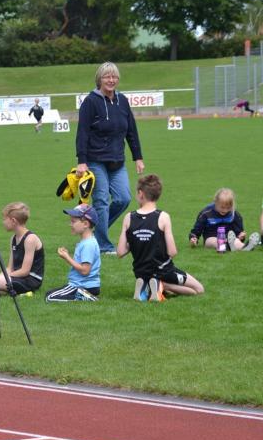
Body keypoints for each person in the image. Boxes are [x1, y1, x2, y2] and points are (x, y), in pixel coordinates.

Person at [76, 62, 145, 254]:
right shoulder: (90, 102)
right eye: (107, 76)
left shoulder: (122, 101)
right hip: (95, 160)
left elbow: (131, 131)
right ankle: (104, 245)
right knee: (101, 201)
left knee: (123, 198)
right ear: (99, 79)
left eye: (114, 77)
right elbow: (82, 133)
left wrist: (138, 157)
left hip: (117, 161)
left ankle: (94, 231)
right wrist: (81, 161)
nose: (111, 80)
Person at [117, 174, 204, 301]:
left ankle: (147, 286)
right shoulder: (163, 217)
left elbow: (120, 252)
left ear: (140, 193)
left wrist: (138, 241)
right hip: (163, 271)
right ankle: (161, 285)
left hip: (140, 272)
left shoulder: (128, 217)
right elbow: (172, 252)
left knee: (170, 289)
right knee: (199, 290)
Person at [46, 204, 101, 302]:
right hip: (82, 285)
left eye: (73, 221)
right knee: (49, 293)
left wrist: (67, 257)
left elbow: (85, 271)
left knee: (50, 298)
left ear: (85, 224)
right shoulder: (86, 242)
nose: (70, 224)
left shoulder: (88, 244)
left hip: (83, 285)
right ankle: (83, 295)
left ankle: (85, 297)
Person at [189, 188, 260, 252]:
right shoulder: (206, 213)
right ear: (215, 202)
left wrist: (241, 236)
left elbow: (238, 232)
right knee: (215, 241)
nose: (225, 210)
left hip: (229, 238)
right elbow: (196, 230)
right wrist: (194, 238)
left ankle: (245, 247)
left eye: (228, 208)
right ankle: (225, 246)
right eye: (222, 207)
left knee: (236, 241)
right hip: (211, 237)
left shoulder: (234, 214)